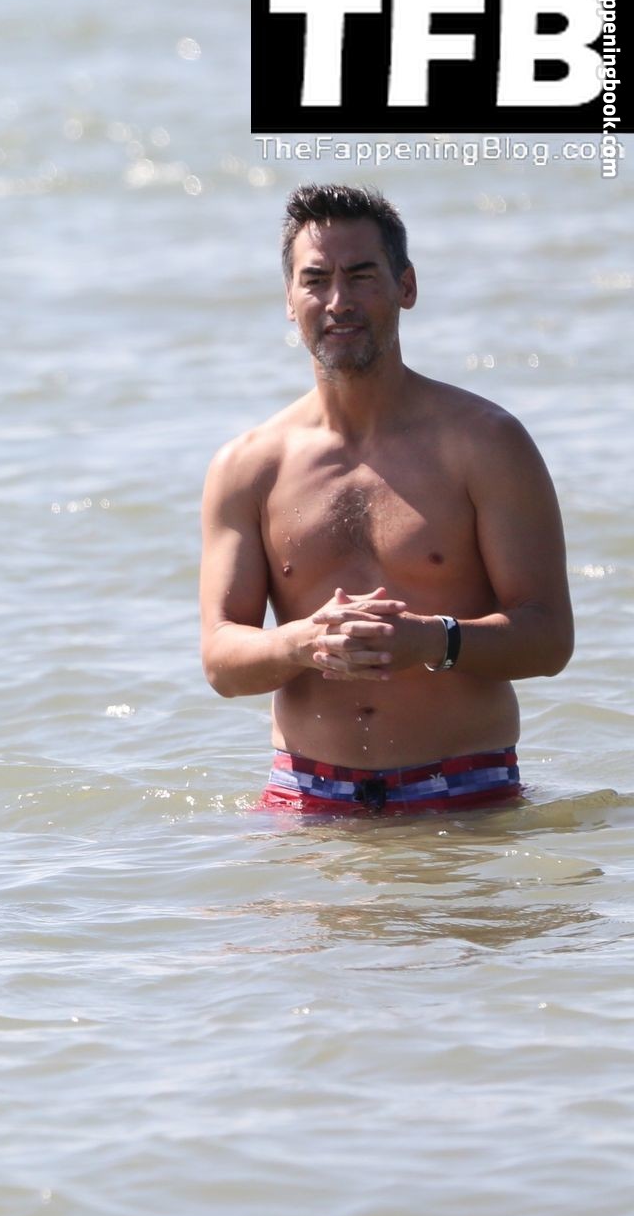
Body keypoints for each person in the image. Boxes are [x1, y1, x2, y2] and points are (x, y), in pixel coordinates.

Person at [199, 184, 573, 815]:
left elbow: (549, 638)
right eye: (316, 280)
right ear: (289, 299)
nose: (338, 301)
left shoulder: (485, 443)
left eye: (361, 275)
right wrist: (302, 642)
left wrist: (433, 640)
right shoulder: (248, 466)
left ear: (406, 286)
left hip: (466, 794)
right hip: (306, 801)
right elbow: (220, 659)